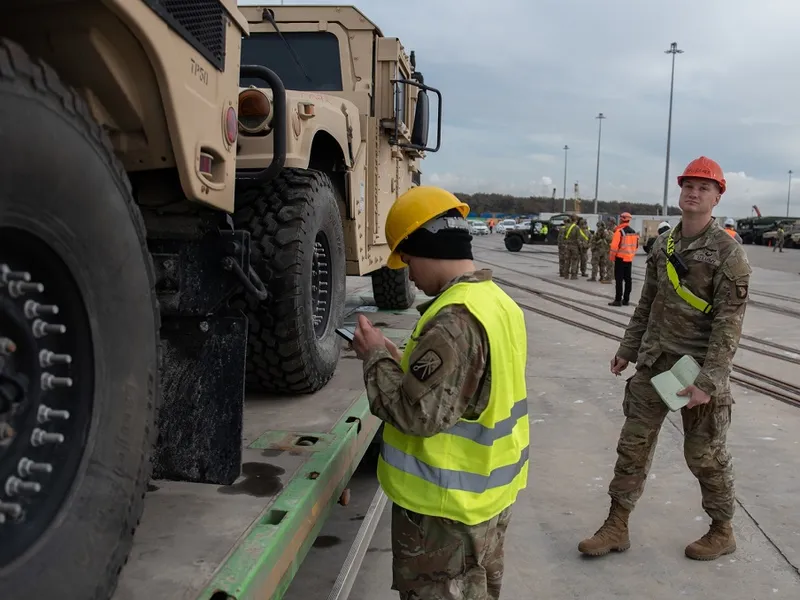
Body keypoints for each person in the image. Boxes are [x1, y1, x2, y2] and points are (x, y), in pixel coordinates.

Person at [351, 185, 530, 600]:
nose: (408, 273)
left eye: (408, 260)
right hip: (486, 504)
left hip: (445, 516)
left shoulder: (454, 320)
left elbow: (417, 417)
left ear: (425, 247)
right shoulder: (497, 302)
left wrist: (375, 358)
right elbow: (469, 390)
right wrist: (403, 366)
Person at [578, 156, 751, 562]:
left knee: (704, 455)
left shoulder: (729, 253)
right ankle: (616, 525)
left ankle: (722, 529)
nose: (693, 192)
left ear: (717, 195)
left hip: (697, 373)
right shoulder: (664, 244)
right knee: (632, 446)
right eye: (688, 185)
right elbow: (647, 303)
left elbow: (730, 325)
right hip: (655, 364)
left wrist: (708, 383)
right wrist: (628, 347)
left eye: (703, 187)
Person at [608, 212, 639, 306]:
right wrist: (630, 255)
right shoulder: (633, 232)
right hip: (629, 259)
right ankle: (626, 300)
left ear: (621, 219)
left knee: (619, 280)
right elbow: (636, 246)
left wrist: (612, 258)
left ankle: (618, 300)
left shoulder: (619, 232)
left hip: (620, 259)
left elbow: (614, 247)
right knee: (628, 280)